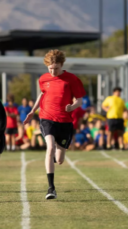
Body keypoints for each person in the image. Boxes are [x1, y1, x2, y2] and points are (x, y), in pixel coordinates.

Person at [24, 49, 86, 200]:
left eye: (56, 68)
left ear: (62, 65)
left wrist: (72, 107)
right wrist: (33, 111)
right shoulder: (43, 79)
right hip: (47, 117)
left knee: (59, 160)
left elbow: (79, 100)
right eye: (50, 68)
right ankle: (51, 188)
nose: (52, 71)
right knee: (50, 147)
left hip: (65, 121)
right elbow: (42, 94)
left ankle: (54, 157)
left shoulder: (71, 79)